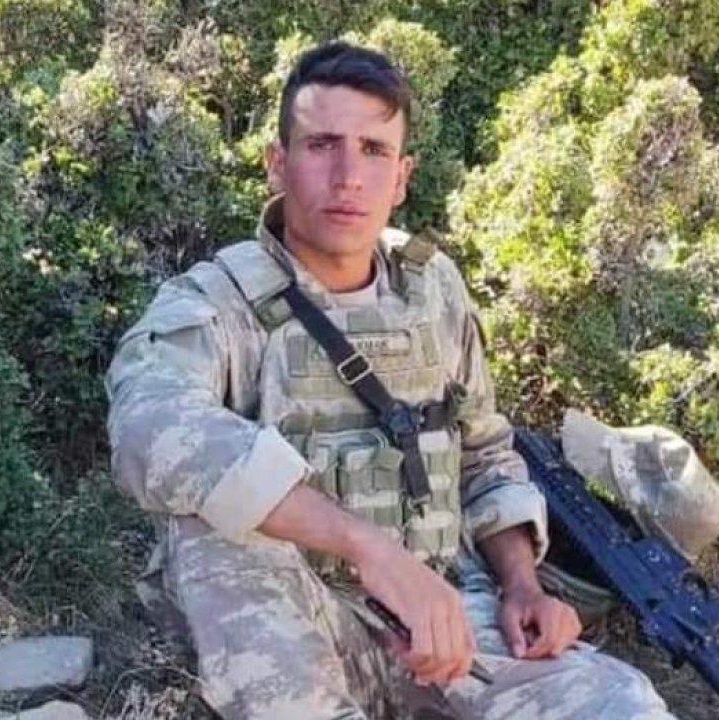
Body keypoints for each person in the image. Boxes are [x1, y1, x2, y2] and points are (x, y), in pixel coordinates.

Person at [105, 41, 676, 719]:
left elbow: (485, 454)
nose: (349, 176)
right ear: (277, 163)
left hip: (442, 618)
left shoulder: (433, 287)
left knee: (619, 701)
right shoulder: (217, 301)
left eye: (374, 150)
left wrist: (522, 585)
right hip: (293, 626)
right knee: (216, 527)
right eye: (322, 145)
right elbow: (146, 425)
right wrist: (367, 547)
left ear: (402, 177)